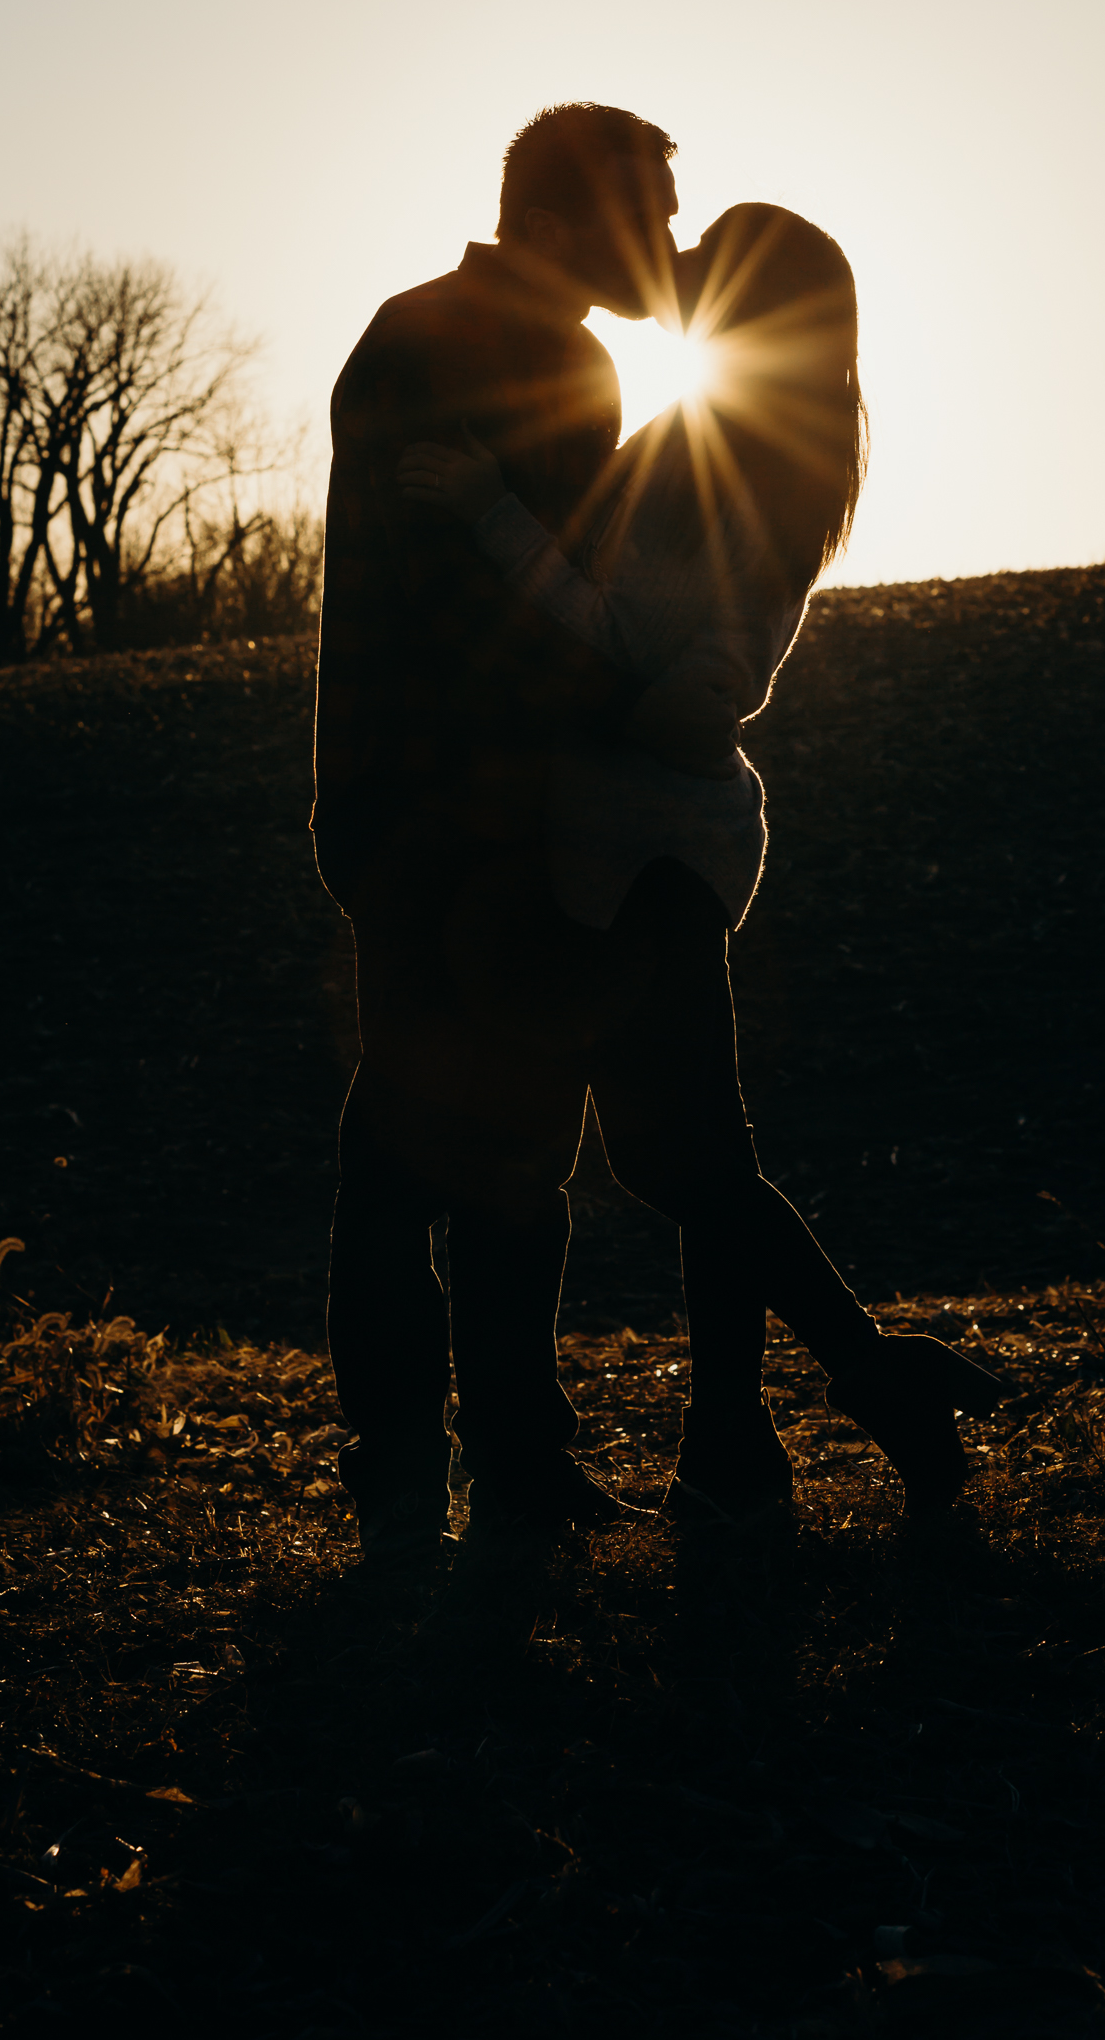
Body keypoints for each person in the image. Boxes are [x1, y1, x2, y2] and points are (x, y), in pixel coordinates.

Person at [398, 203, 999, 1533]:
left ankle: (866, 1381)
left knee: (684, 1170)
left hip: (644, 855)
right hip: (665, 848)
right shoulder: (787, 455)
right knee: (701, 1159)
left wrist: (493, 509)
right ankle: (740, 1448)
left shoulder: (713, 458)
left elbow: (628, 639)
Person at [314, 102, 739, 1568]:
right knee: (420, 1152)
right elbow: (485, 612)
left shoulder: (507, 345)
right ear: (556, 225)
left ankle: (495, 1467)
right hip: (449, 820)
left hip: (472, 816)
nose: (671, 250)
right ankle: (424, 1478)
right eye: (646, 221)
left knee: (499, 1154)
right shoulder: (457, 348)